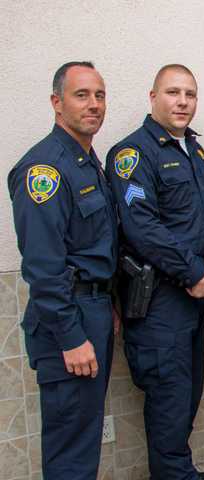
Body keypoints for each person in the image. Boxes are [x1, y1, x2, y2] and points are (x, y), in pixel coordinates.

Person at [105, 64, 204, 480]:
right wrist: (193, 272)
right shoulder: (131, 154)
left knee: (187, 395)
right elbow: (142, 227)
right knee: (169, 398)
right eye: (173, 92)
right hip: (159, 301)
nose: (183, 101)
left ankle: (178, 472)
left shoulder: (195, 151)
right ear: (152, 97)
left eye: (190, 93)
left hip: (193, 299)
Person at [8, 61, 117, 479]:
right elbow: (43, 267)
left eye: (100, 95)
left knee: (83, 436)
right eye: (82, 95)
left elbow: (93, 251)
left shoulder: (88, 163)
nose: (94, 105)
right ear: (57, 103)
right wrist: (72, 337)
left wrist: (107, 306)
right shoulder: (45, 170)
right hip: (66, 322)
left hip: (92, 310)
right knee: (71, 446)